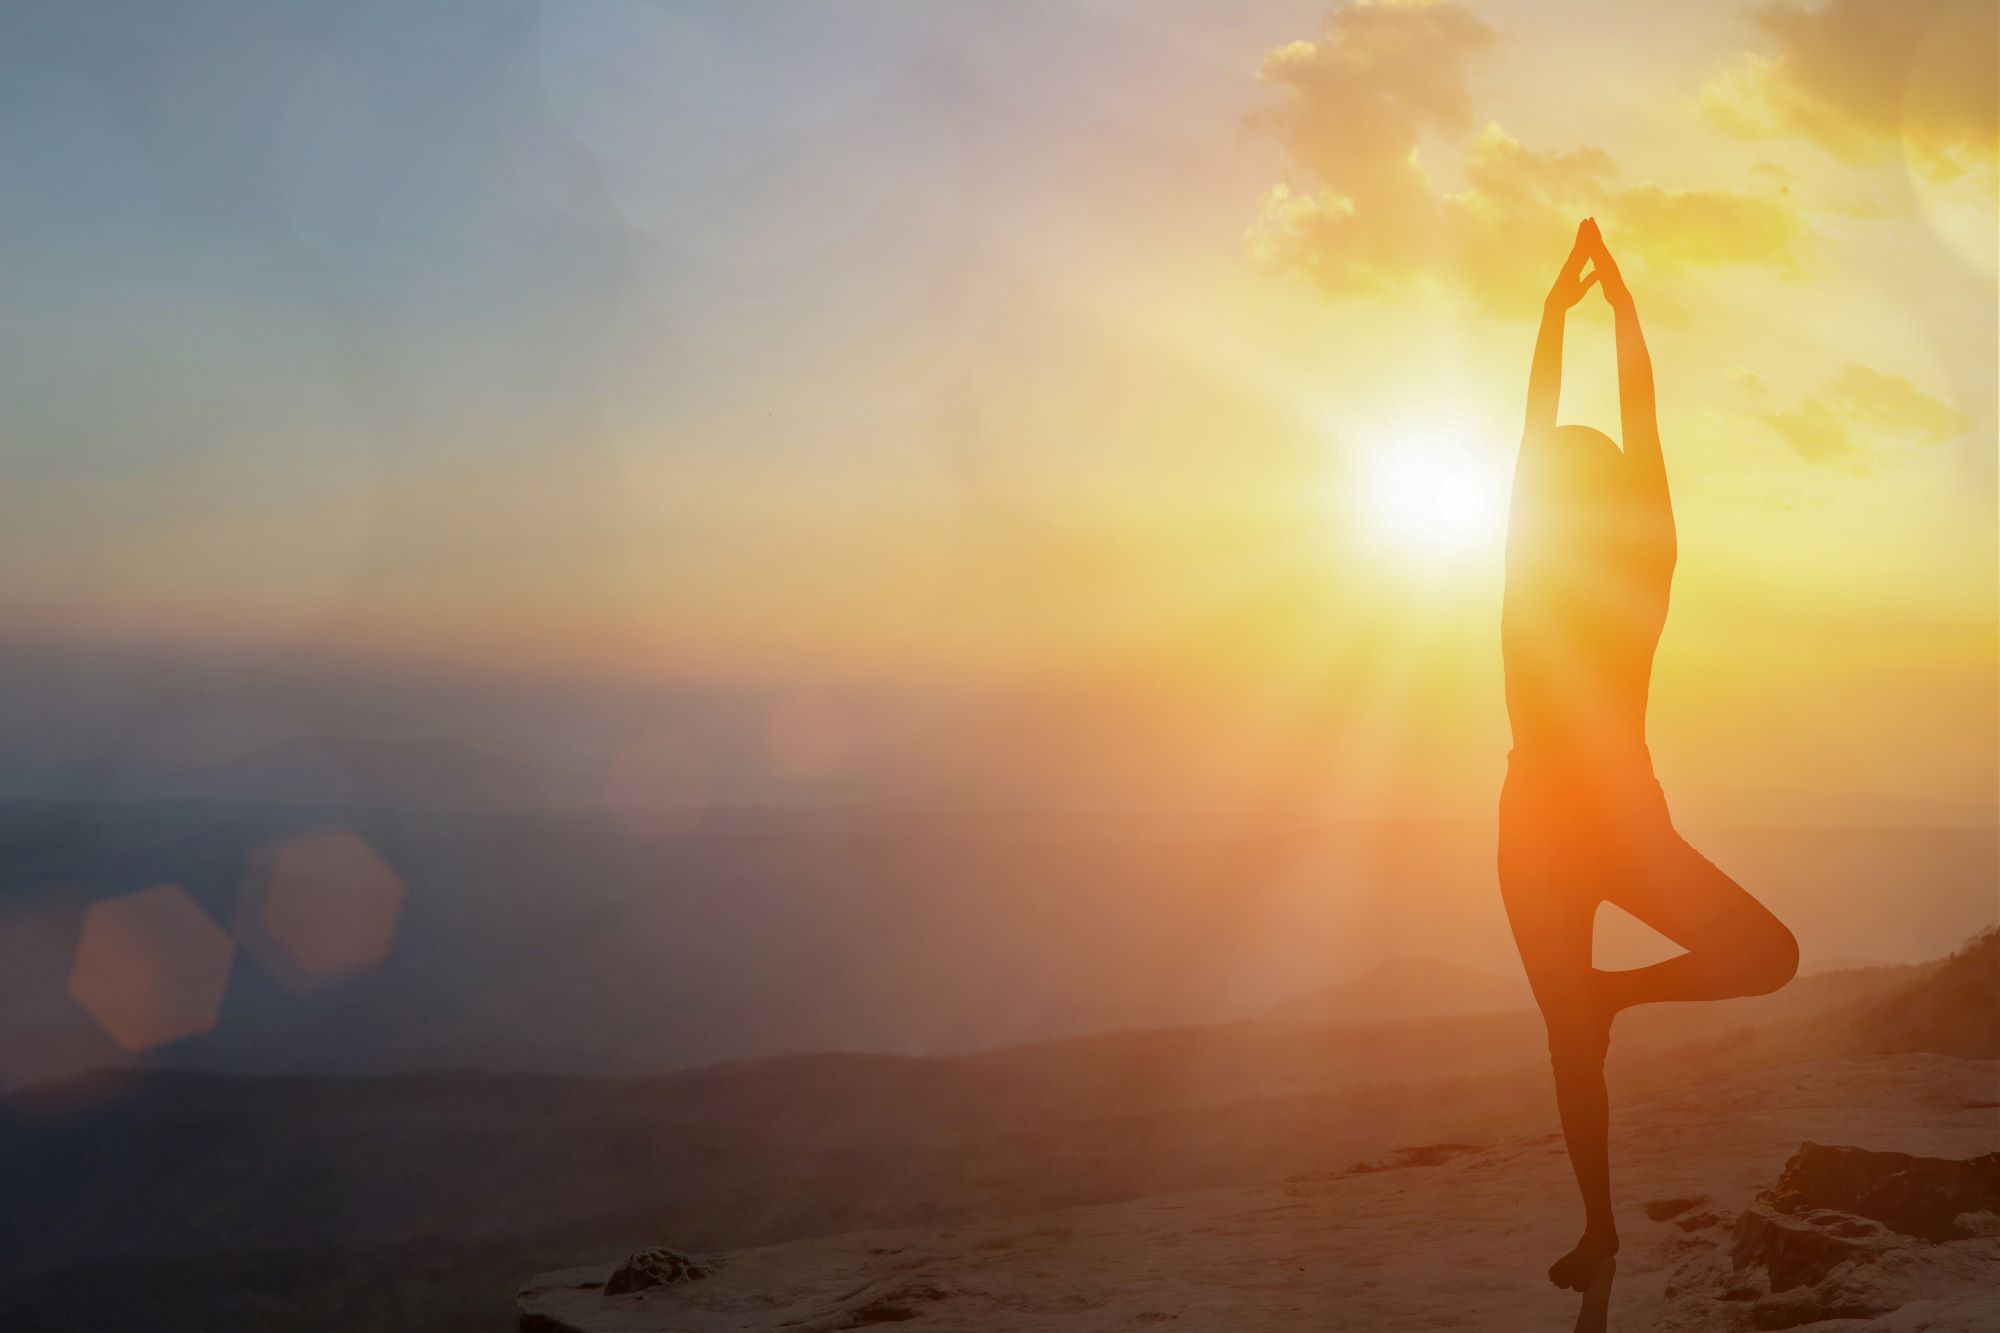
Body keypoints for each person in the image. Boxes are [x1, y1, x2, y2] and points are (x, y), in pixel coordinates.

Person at [1498, 218, 1800, 1291]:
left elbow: (1568, 435)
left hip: (1595, 824)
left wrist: (1574, 318)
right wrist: (1600, 316)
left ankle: (1612, 998)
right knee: (1571, 1043)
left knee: (1757, 956)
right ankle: (1598, 1230)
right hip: (1559, 827)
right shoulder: (1582, 575)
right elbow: (1598, 435)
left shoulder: (1606, 576)